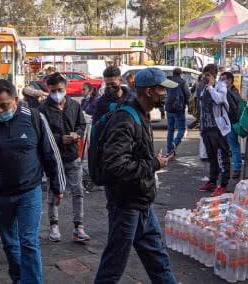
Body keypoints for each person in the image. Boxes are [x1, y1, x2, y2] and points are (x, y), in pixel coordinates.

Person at [0, 79, 66, 283]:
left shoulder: (34, 118)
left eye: (4, 105)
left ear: (15, 100)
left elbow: (51, 153)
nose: (0, 110)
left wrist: (58, 187)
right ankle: (18, 278)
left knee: (29, 242)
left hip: (28, 192)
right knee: (10, 243)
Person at [94, 67, 177, 283]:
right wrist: (153, 164)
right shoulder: (125, 119)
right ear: (149, 92)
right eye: (162, 89)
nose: (165, 94)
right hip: (126, 207)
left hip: (142, 204)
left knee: (158, 260)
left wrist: (151, 161)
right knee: (113, 266)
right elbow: (115, 166)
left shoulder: (141, 115)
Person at [38, 73, 90, 242]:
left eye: (60, 90)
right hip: (54, 158)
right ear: (48, 90)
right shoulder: (42, 110)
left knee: (78, 192)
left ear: (65, 88)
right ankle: (54, 226)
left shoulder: (74, 106)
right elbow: (41, 134)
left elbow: (81, 125)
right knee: (54, 192)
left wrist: (77, 135)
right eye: (53, 91)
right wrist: (59, 138)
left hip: (73, 155)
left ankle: (79, 227)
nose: (57, 94)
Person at [196, 64, 231, 197]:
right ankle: (212, 181)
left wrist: (210, 86)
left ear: (214, 75)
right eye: (204, 75)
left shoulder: (220, 86)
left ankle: (223, 184)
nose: (205, 78)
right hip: (206, 128)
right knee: (211, 157)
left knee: (222, 156)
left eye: (208, 75)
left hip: (218, 128)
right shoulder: (203, 88)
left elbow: (219, 99)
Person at [220, 71, 242, 179]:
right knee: (223, 146)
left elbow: (235, 105)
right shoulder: (223, 91)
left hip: (231, 123)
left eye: (223, 79)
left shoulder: (234, 92)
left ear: (229, 80)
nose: (221, 81)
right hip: (223, 123)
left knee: (233, 145)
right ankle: (224, 168)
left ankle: (237, 168)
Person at [165, 67, 191, 154]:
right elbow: (188, 96)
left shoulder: (167, 82)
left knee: (170, 130)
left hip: (169, 108)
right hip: (179, 109)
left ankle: (169, 150)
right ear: (181, 74)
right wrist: (190, 106)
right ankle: (175, 143)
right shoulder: (182, 82)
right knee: (182, 129)